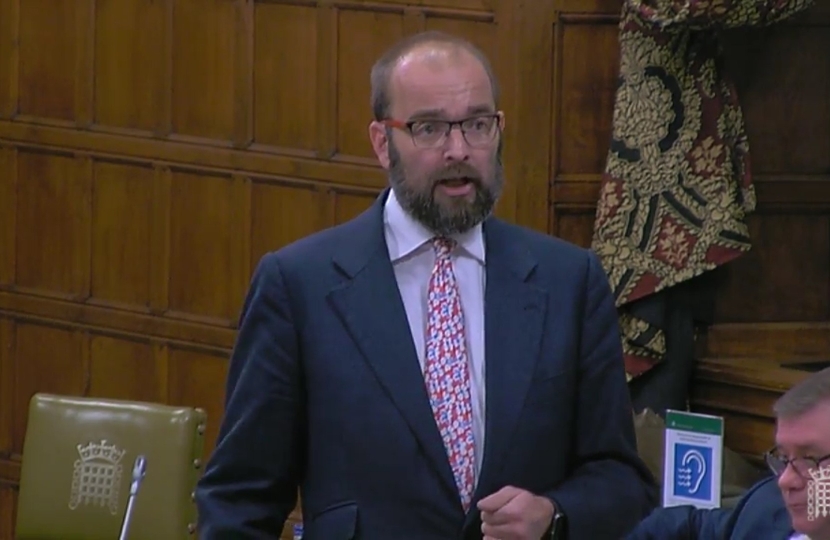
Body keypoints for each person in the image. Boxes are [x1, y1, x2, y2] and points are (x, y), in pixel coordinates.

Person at [195, 30, 657, 539]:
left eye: (478, 125)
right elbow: (239, 501)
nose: (458, 150)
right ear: (381, 142)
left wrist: (554, 513)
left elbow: (621, 482)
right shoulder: (299, 286)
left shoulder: (569, 281)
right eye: (429, 128)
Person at [626, 365, 830, 540]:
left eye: (809, 460)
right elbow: (682, 526)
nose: (785, 481)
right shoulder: (766, 507)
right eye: (784, 458)